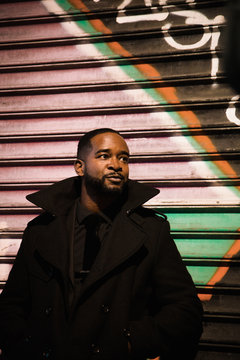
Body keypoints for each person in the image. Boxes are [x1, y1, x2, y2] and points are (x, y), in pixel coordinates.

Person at [0, 128, 203, 360]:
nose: (116, 164)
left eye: (124, 158)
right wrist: (25, 347)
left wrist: (129, 343)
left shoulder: (151, 231)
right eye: (104, 156)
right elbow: (11, 306)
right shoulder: (41, 230)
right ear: (80, 166)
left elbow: (186, 311)